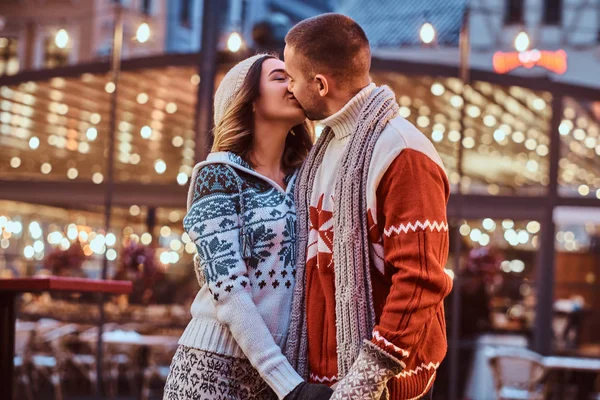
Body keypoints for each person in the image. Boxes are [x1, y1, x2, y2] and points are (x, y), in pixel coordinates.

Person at [283, 14, 452, 400]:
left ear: (320, 84)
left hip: (383, 388)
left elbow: (421, 278)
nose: (289, 89)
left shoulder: (403, 151)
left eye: (292, 78)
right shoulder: (321, 152)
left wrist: (366, 379)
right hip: (321, 381)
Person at [163, 54, 333, 400]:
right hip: (212, 370)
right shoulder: (216, 177)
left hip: (281, 377)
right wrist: (290, 386)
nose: (293, 85)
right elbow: (229, 292)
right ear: (249, 99)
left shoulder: (307, 181)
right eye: (279, 78)